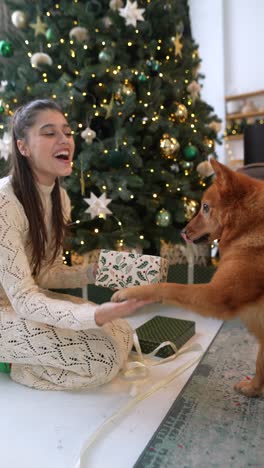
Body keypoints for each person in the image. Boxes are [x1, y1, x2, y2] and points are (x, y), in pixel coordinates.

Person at [0, 98, 151, 390]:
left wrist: (92, 273)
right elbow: (24, 297)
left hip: (19, 303)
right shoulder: (4, 202)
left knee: (120, 331)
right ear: (23, 147)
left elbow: (47, 274)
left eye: (67, 132)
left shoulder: (61, 198)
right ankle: (18, 365)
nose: (65, 140)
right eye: (49, 133)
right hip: (14, 304)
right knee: (102, 360)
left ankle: (27, 354)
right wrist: (92, 314)